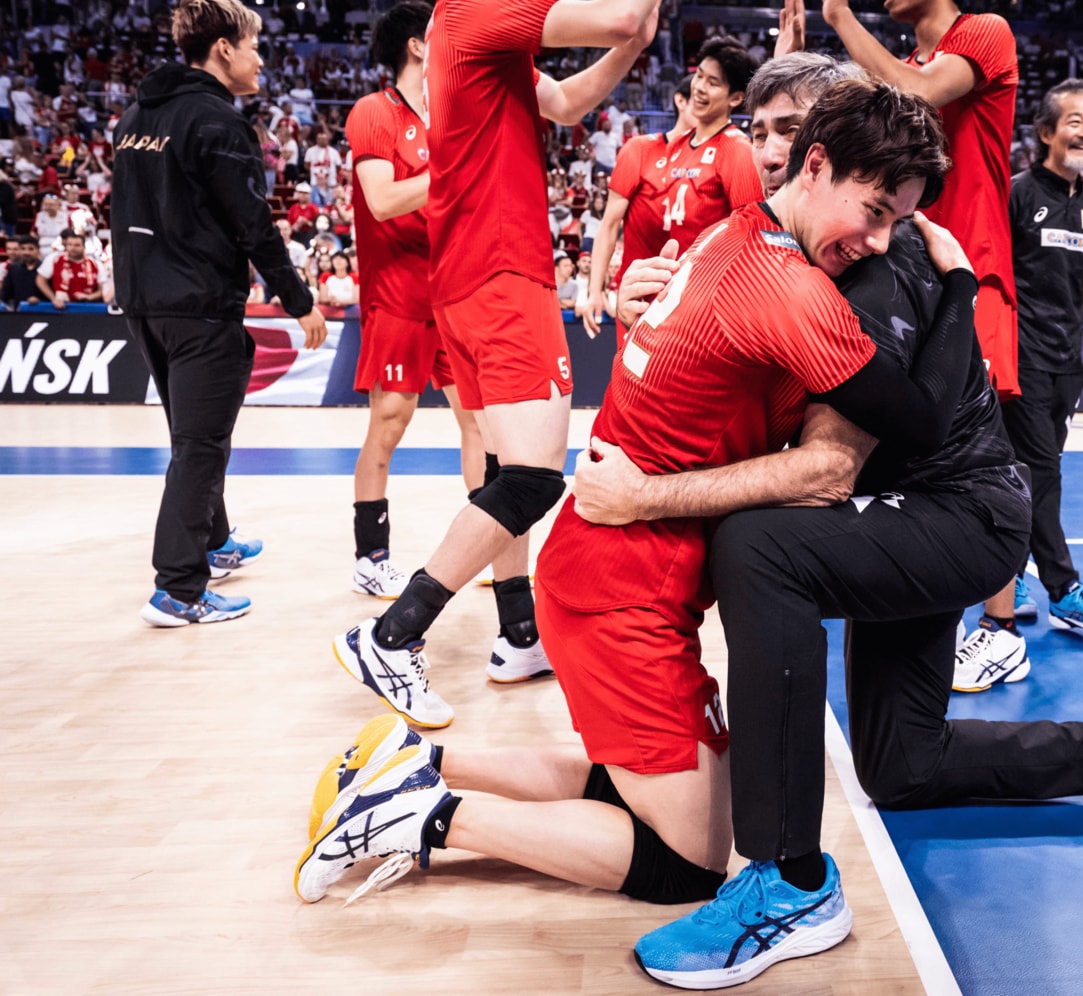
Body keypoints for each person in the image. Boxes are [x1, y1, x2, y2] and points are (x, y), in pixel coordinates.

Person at [585, 72, 1083, 989]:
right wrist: (649, 297)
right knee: (902, 763)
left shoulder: (868, 270)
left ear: (815, 152)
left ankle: (788, 880)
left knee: (761, 548)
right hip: (927, 509)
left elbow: (846, 460)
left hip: (962, 514)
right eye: (761, 131)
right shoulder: (775, 241)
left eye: (783, 134)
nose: (762, 151)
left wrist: (642, 498)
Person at [297, 74, 957, 920]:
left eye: (898, 222)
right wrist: (964, 286)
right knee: (687, 864)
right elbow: (921, 421)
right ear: (816, 165)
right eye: (874, 212)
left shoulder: (733, 233)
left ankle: (415, 764)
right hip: (623, 589)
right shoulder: (790, 290)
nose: (881, 240)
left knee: (633, 786)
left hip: (615, 567)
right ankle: (419, 817)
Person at [332, 0, 661, 726]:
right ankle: (393, 636)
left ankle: (518, 634)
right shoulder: (480, 9)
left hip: (470, 275)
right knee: (535, 478)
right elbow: (614, 17)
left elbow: (570, 101)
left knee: (509, 470)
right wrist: (631, 25)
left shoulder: (475, 33)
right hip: (500, 268)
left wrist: (635, 44)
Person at [112, 0, 326, 627]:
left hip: (145, 305)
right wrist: (299, 301)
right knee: (202, 447)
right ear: (225, 49)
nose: (262, 58)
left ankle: (215, 541)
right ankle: (179, 589)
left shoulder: (135, 116)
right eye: (255, 45)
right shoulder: (219, 122)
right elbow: (253, 227)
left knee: (192, 439)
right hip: (201, 308)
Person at [956, 80, 1083, 686]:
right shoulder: (1016, 193)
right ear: (1047, 132)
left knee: (1037, 474)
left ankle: (1013, 576)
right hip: (1019, 361)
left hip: (1065, 366)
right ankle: (1065, 588)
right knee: (1036, 477)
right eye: (1075, 121)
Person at [344, 0, 487, 602]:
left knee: (478, 422)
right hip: (398, 294)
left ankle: (488, 541)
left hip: (453, 292)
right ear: (417, 46)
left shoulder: (449, 115)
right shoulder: (374, 112)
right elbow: (381, 200)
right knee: (391, 420)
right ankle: (370, 554)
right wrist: (455, 170)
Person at [819, 0, 1021, 401]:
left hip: (971, 264)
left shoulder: (986, 30)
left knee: (970, 425)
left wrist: (839, 14)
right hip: (905, 269)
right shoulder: (902, 66)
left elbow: (920, 91)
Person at [581, 39, 761, 344]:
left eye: (713, 82)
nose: (700, 87)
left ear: (735, 98)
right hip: (642, 305)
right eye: (699, 75)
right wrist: (595, 288)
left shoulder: (737, 150)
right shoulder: (672, 146)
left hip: (695, 314)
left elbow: (752, 241)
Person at [37, 230, 103, 309]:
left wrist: (89, 297)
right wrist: (53, 298)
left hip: (88, 307)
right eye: (70, 245)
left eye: (77, 245)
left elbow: (103, 290)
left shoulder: (95, 263)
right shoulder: (54, 259)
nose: (73, 248)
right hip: (61, 308)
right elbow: (40, 280)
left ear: (84, 247)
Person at [0, 234, 44, 309]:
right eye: (23, 249)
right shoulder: (13, 268)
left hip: (43, 312)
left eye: (31, 249)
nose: (26, 252)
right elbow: (5, 294)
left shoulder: (45, 268)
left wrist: (40, 300)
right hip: (18, 314)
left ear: (38, 250)